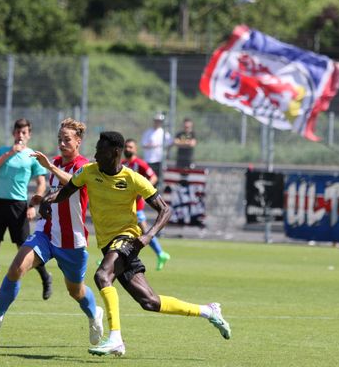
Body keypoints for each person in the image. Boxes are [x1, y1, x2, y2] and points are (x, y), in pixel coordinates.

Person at [42, 131, 231, 357]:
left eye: (100, 151)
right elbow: (67, 191)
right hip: (108, 244)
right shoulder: (88, 172)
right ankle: (208, 311)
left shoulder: (133, 179)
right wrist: (47, 199)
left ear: (114, 153)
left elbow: (165, 209)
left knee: (102, 275)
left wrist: (148, 236)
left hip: (127, 238)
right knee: (149, 301)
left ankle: (115, 339)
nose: (95, 155)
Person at [0, 118, 105, 346]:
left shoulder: (84, 166)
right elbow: (56, 192)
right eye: (59, 140)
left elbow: (74, 183)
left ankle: (94, 315)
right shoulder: (53, 163)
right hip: (46, 232)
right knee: (16, 268)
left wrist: (50, 167)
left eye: (67, 140)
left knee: (75, 290)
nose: (62, 144)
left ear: (78, 142)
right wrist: (40, 199)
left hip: (71, 240)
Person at [0, 118, 52, 299]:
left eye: (24, 133)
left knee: (24, 249)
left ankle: (46, 277)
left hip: (19, 206)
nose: (20, 135)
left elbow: (41, 184)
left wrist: (32, 205)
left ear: (29, 135)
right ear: (13, 133)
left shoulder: (32, 156)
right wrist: (9, 154)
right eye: (18, 132)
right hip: (0, 204)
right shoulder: (3, 151)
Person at [122, 138, 171, 271]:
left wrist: (143, 191)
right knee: (129, 232)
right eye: (126, 147)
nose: (128, 149)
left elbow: (153, 177)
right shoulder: (122, 164)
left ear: (136, 149)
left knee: (142, 232)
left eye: (130, 147)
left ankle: (161, 253)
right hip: (124, 205)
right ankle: (114, 257)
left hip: (136, 207)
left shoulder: (140, 164)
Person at [140, 113, 171, 182]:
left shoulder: (164, 133)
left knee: (159, 179)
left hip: (160, 160)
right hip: (149, 160)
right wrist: (151, 145)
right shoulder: (148, 132)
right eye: (156, 121)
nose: (158, 122)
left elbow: (169, 144)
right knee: (148, 179)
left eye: (160, 121)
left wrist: (167, 155)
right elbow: (143, 144)